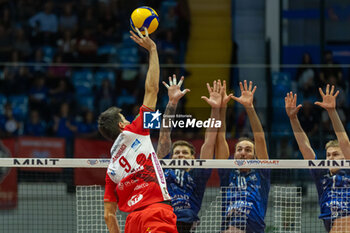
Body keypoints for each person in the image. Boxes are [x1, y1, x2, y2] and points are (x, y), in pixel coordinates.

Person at [99, 28, 177, 233]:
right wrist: (152, 50)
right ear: (121, 126)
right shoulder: (136, 130)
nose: (128, 120)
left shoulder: (111, 170)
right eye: (125, 118)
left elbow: (108, 216)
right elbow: (152, 90)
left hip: (132, 222)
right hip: (156, 212)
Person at [157, 77, 221, 232]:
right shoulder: (163, 168)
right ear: (171, 158)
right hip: (162, 220)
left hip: (186, 224)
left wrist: (216, 109)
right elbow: (164, 135)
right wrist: (172, 103)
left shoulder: (198, 174)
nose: (180, 155)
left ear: (193, 158)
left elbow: (209, 141)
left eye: (184, 153)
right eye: (176, 153)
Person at [285, 84, 350, 232]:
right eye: (328, 155)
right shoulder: (321, 175)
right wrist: (293, 119)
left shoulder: (349, 169)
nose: (331, 158)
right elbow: (305, 148)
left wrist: (332, 112)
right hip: (332, 225)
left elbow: (344, 142)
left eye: (335, 154)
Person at [217, 80, 270, 233]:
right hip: (230, 227)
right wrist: (222, 107)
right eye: (239, 149)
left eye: (248, 150)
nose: (243, 152)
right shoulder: (227, 171)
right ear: (234, 155)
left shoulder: (262, 172)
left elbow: (259, 138)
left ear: (254, 157)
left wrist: (249, 107)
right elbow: (220, 138)